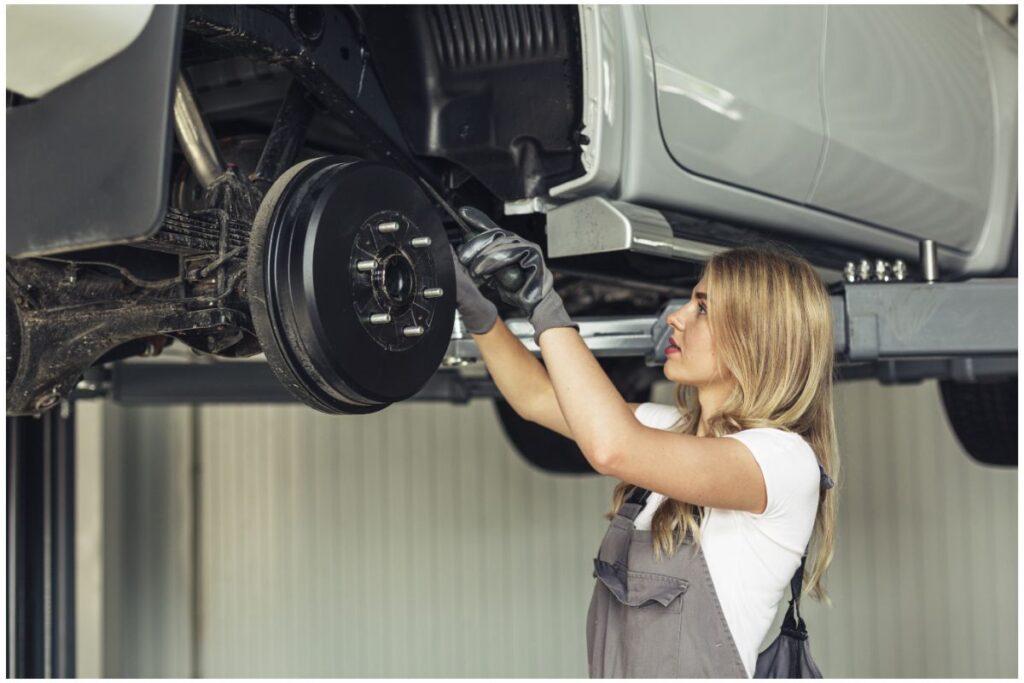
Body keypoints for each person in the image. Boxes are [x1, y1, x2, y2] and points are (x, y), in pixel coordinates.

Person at [451, 207, 841, 678]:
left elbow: (610, 446)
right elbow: (536, 399)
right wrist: (479, 311)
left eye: (702, 308)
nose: (676, 317)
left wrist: (544, 304)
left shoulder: (782, 461)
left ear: (754, 337)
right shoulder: (667, 429)